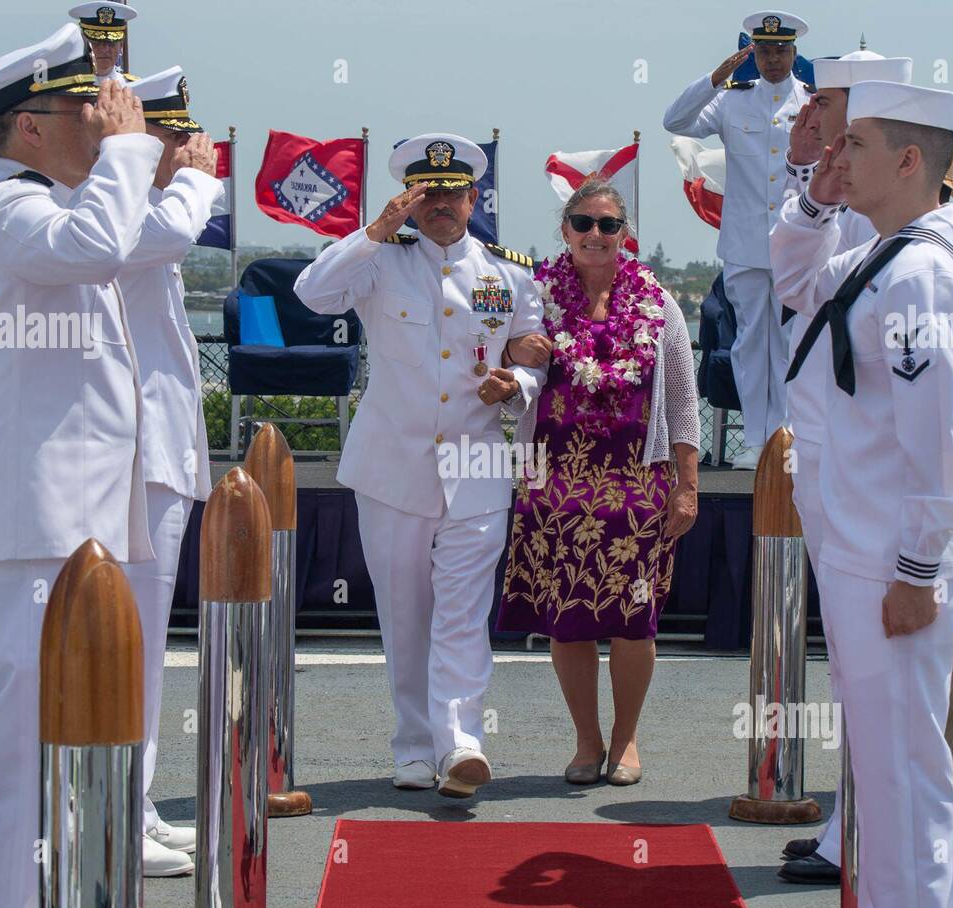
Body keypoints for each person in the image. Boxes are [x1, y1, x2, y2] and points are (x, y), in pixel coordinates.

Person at [771, 80, 953, 908]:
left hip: (890, 568)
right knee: (881, 774)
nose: (838, 153)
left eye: (857, 144)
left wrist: (915, 572)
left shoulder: (924, 276)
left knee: (905, 785)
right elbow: (796, 282)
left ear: (909, 161)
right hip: (859, 553)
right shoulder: (889, 252)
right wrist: (814, 196)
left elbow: (939, 452)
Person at [0, 23, 160, 908]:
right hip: (31, 520)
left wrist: (119, 153)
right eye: (86, 108)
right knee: (24, 744)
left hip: (64, 517)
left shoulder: (40, 203)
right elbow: (93, 251)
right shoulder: (6, 204)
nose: (103, 119)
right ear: (28, 127)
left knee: (56, 737)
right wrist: (133, 148)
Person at [293, 134, 549, 799]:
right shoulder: (380, 261)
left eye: (452, 193)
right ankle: (413, 746)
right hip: (393, 467)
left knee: (463, 612)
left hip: (476, 466)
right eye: (427, 194)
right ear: (411, 198)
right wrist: (374, 230)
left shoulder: (510, 272)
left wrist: (514, 387)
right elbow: (312, 295)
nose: (441, 205)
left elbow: (535, 357)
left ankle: (461, 743)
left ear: (473, 198)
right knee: (405, 613)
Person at [495, 179, 699, 786]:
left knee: (634, 618)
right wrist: (510, 353)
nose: (595, 235)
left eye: (607, 225)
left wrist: (687, 485)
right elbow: (508, 371)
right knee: (568, 615)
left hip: (637, 482)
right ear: (564, 232)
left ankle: (626, 738)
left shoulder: (658, 304)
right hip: (554, 477)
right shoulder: (536, 299)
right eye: (582, 223)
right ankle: (586, 741)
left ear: (623, 235)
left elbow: (684, 402)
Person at [769, 46, 913, 887]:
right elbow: (788, 282)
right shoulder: (830, 189)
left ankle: (865, 830)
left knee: (880, 657)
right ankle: (850, 818)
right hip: (827, 441)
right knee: (854, 653)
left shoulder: (897, 204)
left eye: (826, 101)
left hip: (877, 456)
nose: (810, 113)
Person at [123, 66, 225, 877]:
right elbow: (168, 238)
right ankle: (117, 809)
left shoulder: (143, 206)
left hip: (157, 454)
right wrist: (193, 183)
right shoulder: (120, 207)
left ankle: (137, 802)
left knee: (147, 648)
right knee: (126, 645)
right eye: (176, 134)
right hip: (127, 460)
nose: (194, 147)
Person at [663, 10, 811, 469]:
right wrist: (714, 77)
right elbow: (676, 121)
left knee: (790, 339)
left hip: (794, 241)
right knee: (750, 340)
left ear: (793, 52)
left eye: (780, 50)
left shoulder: (812, 102)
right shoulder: (731, 100)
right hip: (745, 243)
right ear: (753, 53)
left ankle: (788, 436)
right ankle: (756, 439)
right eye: (764, 51)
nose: (772, 59)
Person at [70, 2, 138, 82]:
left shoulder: (132, 87)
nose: (105, 49)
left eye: (111, 43)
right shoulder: (66, 89)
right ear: (83, 44)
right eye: (96, 42)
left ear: (121, 46)